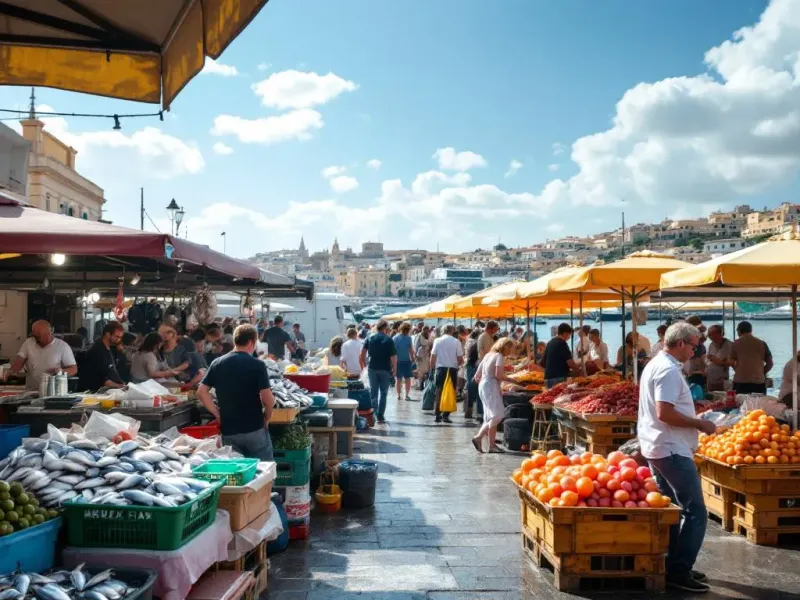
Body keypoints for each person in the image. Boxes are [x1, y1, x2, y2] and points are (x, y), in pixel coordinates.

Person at [638, 322, 716, 592]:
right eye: (694, 346)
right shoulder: (669, 370)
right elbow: (665, 413)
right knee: (696, 511)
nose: (695, 351)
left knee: (672, 509)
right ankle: (679, 570)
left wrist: (693, 410)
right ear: (681, 343)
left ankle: (673, 564)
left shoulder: (657, 363)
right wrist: (699, 424)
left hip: (658, 445)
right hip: (670, 448)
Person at [197, 324, 276, 460]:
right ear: (251, 342)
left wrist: (217, 413)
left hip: (229, 431)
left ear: (235, 341)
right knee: (265, 472)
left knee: (237, 475)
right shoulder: (257, 365)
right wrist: (267, 417)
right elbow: (268, 399)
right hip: (254, 429)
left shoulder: (217, 363)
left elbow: (201, 392)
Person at [4, 320, 77, 390]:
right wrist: (9, 372)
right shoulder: (29, 343)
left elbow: (73, 369)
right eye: (34, 336)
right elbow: (18, 364)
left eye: (38, 337)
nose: (36, 340)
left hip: (54, 391)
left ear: (49, 334)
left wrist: (61, 371)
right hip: (31, 390)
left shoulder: (62, 346)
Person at [473, 338, 517, 453]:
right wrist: (512, 380)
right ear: (505, 347)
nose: (511, 351)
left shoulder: (488, 355)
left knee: (489, 416)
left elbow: (477, 375)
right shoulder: (499, 356)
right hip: (491, 385)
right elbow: (498, 375)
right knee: (498, 414)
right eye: (510, 348)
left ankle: (492, 446)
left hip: (483, 384)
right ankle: (479, 437)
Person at [360, 319, 396, 424]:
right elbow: (394, 357)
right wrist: (395, 369)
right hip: (385, 368)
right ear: (385, 328)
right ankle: (381, 415)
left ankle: (374, 413)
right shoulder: (389, 340)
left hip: (372, 368)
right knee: (384, 393)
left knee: (373, 393)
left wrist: (364, 365)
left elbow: (362, 353)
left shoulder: (370, 338)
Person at [430, 324, 463, 424]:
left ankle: (437, 414)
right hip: (452, 369)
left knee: (439, 391)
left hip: (440, 369)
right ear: (452, 331)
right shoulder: (456, 341)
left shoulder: (437, 340)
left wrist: (432, 369)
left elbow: (433, 356)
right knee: (450, 392)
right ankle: (446, 414)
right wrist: (458, 364)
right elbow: (460, 358)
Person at [80, 322, 126, 391]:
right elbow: (102, 377)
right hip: (95, 391)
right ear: (107, 334)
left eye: (120, 337)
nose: (119, 339)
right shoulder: (97, 350)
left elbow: (112, 371)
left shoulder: (111, 348)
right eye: (117, 336)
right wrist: (119, 386)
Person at [731, 321, 773, 395]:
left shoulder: (735, 344)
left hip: (740, 382)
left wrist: (738, 370)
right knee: (758, 405)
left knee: (741, 404)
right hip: (758, 382)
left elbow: (731, 362)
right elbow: (770, 363)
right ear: (751, 330)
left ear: (739, 331)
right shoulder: (762, 343)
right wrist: (762, 372)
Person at [542, 323, 578, 388]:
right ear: (565, 333)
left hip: (547, 378)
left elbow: (543, 362)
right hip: (558, 378)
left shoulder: (550, 342)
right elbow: (570, 363)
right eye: (569, 334)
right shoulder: (562, 344)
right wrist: (578, 370)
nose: (569, 337)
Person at [706, 325, 733, 392]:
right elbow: (709, 359)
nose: (708, 336)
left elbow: (729, 363)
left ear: (719, 334)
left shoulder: (728, 345)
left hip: (721, 380)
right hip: (710, 379)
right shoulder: (711, 344)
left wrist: (715, 360)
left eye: (710, 334)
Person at [393, 322, 416, 401]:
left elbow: (393, 351)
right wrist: (413, 359)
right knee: (407, 379)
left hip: (398, 361)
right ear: (408, 330)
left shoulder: (395, 338)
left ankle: (399, 395)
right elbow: (411, 350)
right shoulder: (409, 338)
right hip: (406, 361)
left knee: (398, 379)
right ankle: (406, 395)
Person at [464, 329, 481, 420]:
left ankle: (469, 411)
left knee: (470, 390)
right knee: (476, 390)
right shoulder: (476, 344)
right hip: (474, 368)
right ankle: (476, 412)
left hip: (470, 367)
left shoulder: (471, 343)